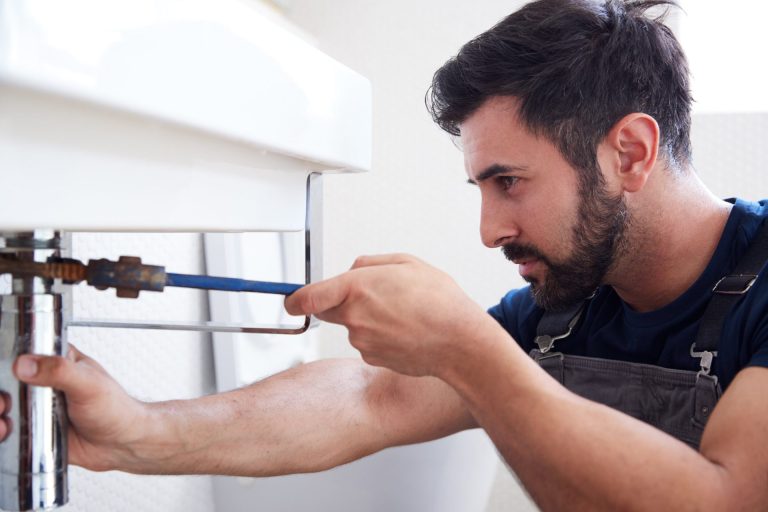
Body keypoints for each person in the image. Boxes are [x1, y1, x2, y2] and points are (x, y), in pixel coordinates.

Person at [5, 0, 768, 509]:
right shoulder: (563, 312)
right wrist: (137, 431)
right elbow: (373, 398)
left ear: (629, 152)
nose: (489, 230)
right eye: (481, 187)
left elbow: (729, 500)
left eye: (509, 182)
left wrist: (468, 350)